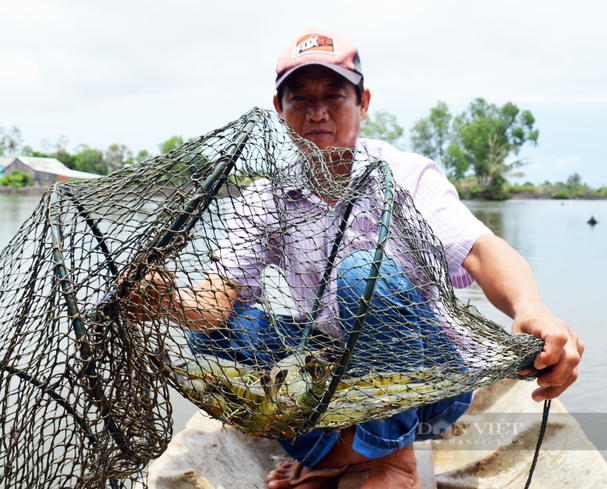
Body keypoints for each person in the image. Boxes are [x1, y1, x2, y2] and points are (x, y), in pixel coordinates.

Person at [135, 28, 584, 489]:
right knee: (213, 338)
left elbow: (483, 252)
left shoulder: (405, 174)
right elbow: (214, 300)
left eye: (334, 96)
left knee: (361, 274)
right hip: (334, 375)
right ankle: (340, 452)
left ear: (363, 102)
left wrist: (532, 308)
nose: (317, 113)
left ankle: (389, 458)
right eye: (299, 100)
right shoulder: (267, 196)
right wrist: (165, 295)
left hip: (427, 381)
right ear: (279, 110)